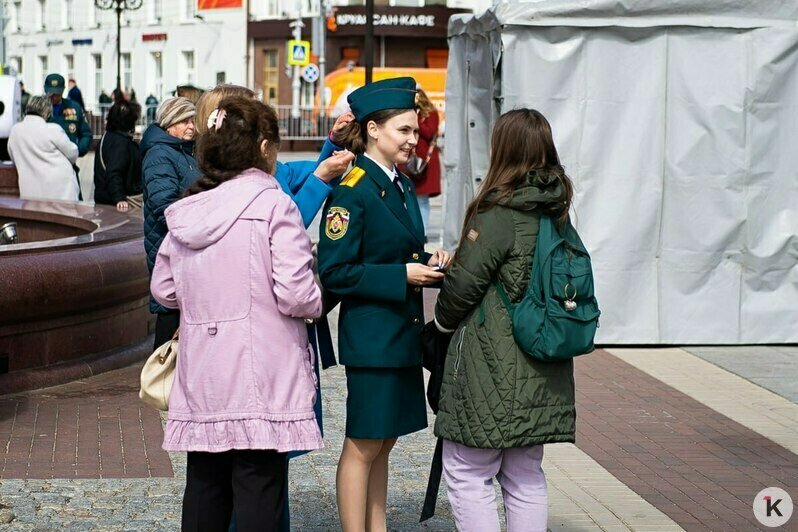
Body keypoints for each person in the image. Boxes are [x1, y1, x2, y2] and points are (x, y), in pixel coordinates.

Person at [150, 96, 323, 531]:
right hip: (262, 369)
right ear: (264, 147)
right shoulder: (273, 206)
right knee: (259, 489)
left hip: (204, 371)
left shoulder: (188, 211)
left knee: (205, 486)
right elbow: (297, 294)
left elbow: (164, 290)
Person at [317, 77, 452, 532]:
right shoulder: (353, 188)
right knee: (362, 444)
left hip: (400, 334)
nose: (413, 141)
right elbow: (336, 272)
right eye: (403, 131)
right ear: (373, 130)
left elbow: (395, 248)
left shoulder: (399, 184)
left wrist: (427, 259)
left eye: (415, 131)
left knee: (385, 441)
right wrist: (402, 275)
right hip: (374, 337)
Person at [432, 109, 576, 532]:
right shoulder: (557, 212)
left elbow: (461, 290)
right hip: (543, 361)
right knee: (525, 474)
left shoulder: (497, 212)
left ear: (504, 150)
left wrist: (439, 326)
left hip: (491, 363)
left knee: (468, 470)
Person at [195, 84, 354, 226]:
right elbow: (290, 223)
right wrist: (321, 177)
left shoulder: (271, 167)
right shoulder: (242, 180)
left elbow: (313, 171)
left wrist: (335, 141)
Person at [141, 96, 202, 348]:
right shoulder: (159, 154)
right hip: (169, 247)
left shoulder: (185, 151)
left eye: (193, 120)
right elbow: (162, 205)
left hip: (184, 245)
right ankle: (161, 381)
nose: (191, 126)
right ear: (169, 123)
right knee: (169, 316)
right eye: (184, 120)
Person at [8, 95, 79, 201]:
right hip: (61, 192)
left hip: (31, 193)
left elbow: (14, 156)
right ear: (46, 112)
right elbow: (73, 153)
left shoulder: (15, 130)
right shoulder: (53, 129)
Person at [402, 88, 440, 235]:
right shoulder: (411, 114)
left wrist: (416, 119)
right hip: (410, 160)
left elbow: (429, 132)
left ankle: (422, 232)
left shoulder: (431, 113)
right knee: (409, 198)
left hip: (424, 162)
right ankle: (411, 229)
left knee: (422, 199)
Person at [93, 100, 143, 210]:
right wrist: (119, 197)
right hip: (119, 202)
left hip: (104, 199)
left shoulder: (107, 137)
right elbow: (114, 172)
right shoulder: (121, 143)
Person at [45, 73, 92, 157]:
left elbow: (86, 134)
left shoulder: (74, 107)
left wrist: (78, 150)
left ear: (63, 90)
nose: (54, 97)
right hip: (44, 161)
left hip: (67, 162)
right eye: (51, 94)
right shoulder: (38, 108)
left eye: (57, 94)